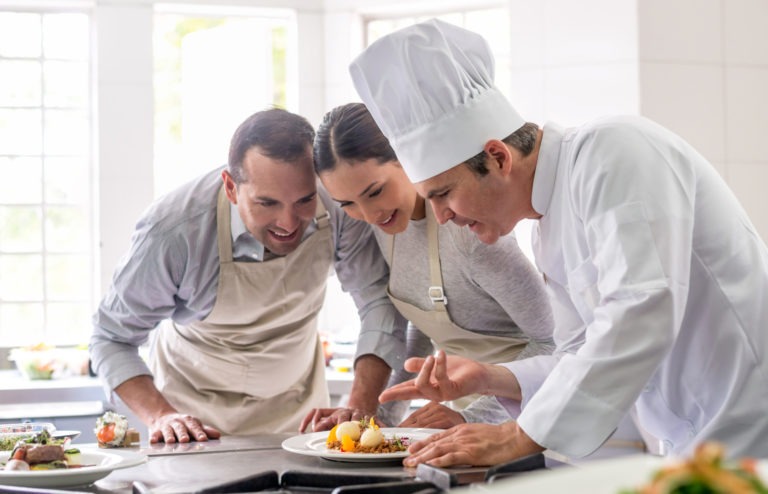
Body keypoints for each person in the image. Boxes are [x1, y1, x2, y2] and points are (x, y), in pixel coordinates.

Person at [349, 18, 768, 466]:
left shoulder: (614, 151)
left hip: (754, 427)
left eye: (443, 193)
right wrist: (490, 376)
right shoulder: (547, 227)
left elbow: (640, 310)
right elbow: (578, 354)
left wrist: (516, 437)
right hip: (701, 443)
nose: (441, 216)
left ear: (498, 157)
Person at [90, 108, 409, 443]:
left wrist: (359, 406)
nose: (288, 223)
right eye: (267, 203)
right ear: (231, 187)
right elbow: (110, 338)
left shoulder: (340, 203)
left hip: (300, 415)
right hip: (193, 426)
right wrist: (161, 415)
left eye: (304, 200)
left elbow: (378, 302)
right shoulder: (173, 232)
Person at [300, 102, 554, 432]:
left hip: (530, 419)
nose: (369, 214)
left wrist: (473, 417)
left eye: (375, 192)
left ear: (407, 160)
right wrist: (377, 420)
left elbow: (554, 342)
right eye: (347, 203)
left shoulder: (469, 235)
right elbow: (424, 327)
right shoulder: (386, 228)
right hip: (464, 428)